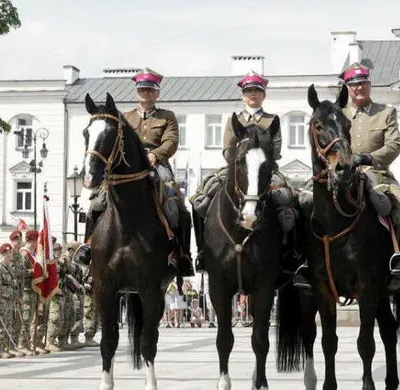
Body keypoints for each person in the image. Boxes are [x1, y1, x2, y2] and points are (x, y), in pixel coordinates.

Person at [75, 67, 195, 277]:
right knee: (97, 202)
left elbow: (172, 141)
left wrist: (156, 154)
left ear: (157, 93)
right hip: (126, 168)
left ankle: (181, 254)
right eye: (142, 90)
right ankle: (88, 247)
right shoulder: (125, 117)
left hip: (156, 165)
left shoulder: (167, 117)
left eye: (150, 90)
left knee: (175, 204)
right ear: (136, 92)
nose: (146, 94)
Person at [191, 71, 301, 279]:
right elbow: (226, 149)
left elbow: (276, 149)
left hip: (266, 171)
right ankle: (202, 251)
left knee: (289, 201)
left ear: (263, 95)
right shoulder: (235, 120)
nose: (253, 94)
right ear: (243, 95)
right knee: (200, 200)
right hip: (235, 170)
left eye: (257, 91)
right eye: (249, 91)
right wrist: (236, 162)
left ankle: (291, 251)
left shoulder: (272, 120)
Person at [338, 63, 400, 288]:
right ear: (347, 88)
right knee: (309, 201)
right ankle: (306, 262)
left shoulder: (385, 112)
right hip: (343, 175)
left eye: (363, 83)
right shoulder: (339, 114)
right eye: (354, 85)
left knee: (399, 203)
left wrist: (369, 158)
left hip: (376, 173)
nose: (359, 88)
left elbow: (394, 146)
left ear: (369, 85)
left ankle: (397, 257)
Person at [17, 230, 43, 355]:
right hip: (26, 290)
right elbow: (20, 272)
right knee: (26, 317)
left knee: (32, 317)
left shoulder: (32, 253)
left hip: (33, 289)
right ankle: (22, 343)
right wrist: (32, 271)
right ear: (32, 240)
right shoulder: (24, 253)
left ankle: (29, 343)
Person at [0, 243, 18, 359]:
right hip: (1, 300)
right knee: (0, 325)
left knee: (7, 324)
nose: (11, 255)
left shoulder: (8, 267)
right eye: (9, 253)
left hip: (8, 299)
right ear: (4, 253)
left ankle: (5, 348)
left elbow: (12, 284)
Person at [6, 231, 26, 357]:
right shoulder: (10, 253)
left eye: (20, 239)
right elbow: (10, 275)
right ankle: (8, 346)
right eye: (16, 240)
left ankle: (14, 345)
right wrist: (14, 295)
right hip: (10, 293)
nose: (18, 242)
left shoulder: (19, 255)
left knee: (17, 320)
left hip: (19, 291)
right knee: (10, 320)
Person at [43, 242, 65, 353]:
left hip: (60, 294)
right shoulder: (49, 263)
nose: (57, 252)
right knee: (54, 318)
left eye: (59, 250)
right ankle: (49, 342)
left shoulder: (61, 263)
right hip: (52, 294)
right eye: (55, 250)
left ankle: (52, 340)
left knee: (60, 319)